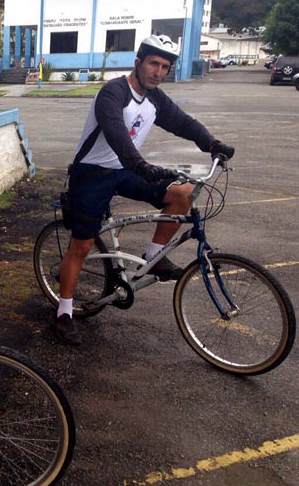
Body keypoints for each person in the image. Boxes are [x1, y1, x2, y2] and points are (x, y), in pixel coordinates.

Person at [55, 34, 234, 346]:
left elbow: (184, 123)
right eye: (153, 63)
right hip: (92, 173)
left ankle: (155, 256)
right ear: (138, 63)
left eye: (165, 66)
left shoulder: (155, 98)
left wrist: (212, 144)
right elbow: (116, 134)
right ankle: (64, 311)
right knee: (81, 246)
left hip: (126, 169)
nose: (158, 71)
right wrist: (141, 165)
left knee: (183, 192)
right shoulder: (113, 92)